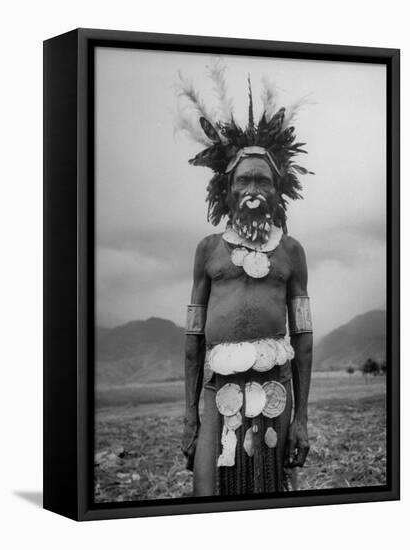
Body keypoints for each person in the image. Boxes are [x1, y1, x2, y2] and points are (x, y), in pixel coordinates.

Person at [178, 68, 313, 496]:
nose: (253, 188)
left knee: (272, 499)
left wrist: (302, 418)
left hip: (276, 390)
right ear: (228, 189)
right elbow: (193, 337)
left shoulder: (291, 252)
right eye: (243, 180)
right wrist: (189, 416)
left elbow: (304, 337)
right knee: (208, 496)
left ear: (278, 191)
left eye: (263, 180)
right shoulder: (208, 251)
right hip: (217, 393)